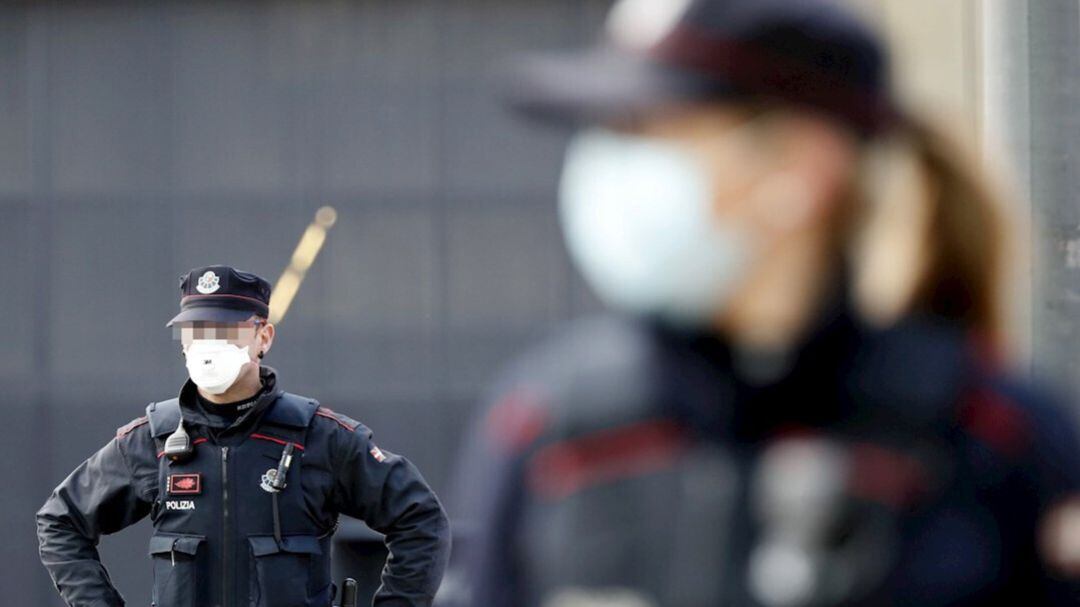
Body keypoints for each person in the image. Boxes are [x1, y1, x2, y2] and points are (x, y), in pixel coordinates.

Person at [454, 0, 1080, 605]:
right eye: (611, 131)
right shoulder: (549, 431)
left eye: (649, 128)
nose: (614, 165)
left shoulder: (989, 440)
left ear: (802, 168)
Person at [37, 265, 450, 607]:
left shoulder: (320, 438)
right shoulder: (154, 441)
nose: (207, 345)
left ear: (262, 337)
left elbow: (421, 520)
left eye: (225, 330)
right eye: (194, 331)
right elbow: (60, 522)